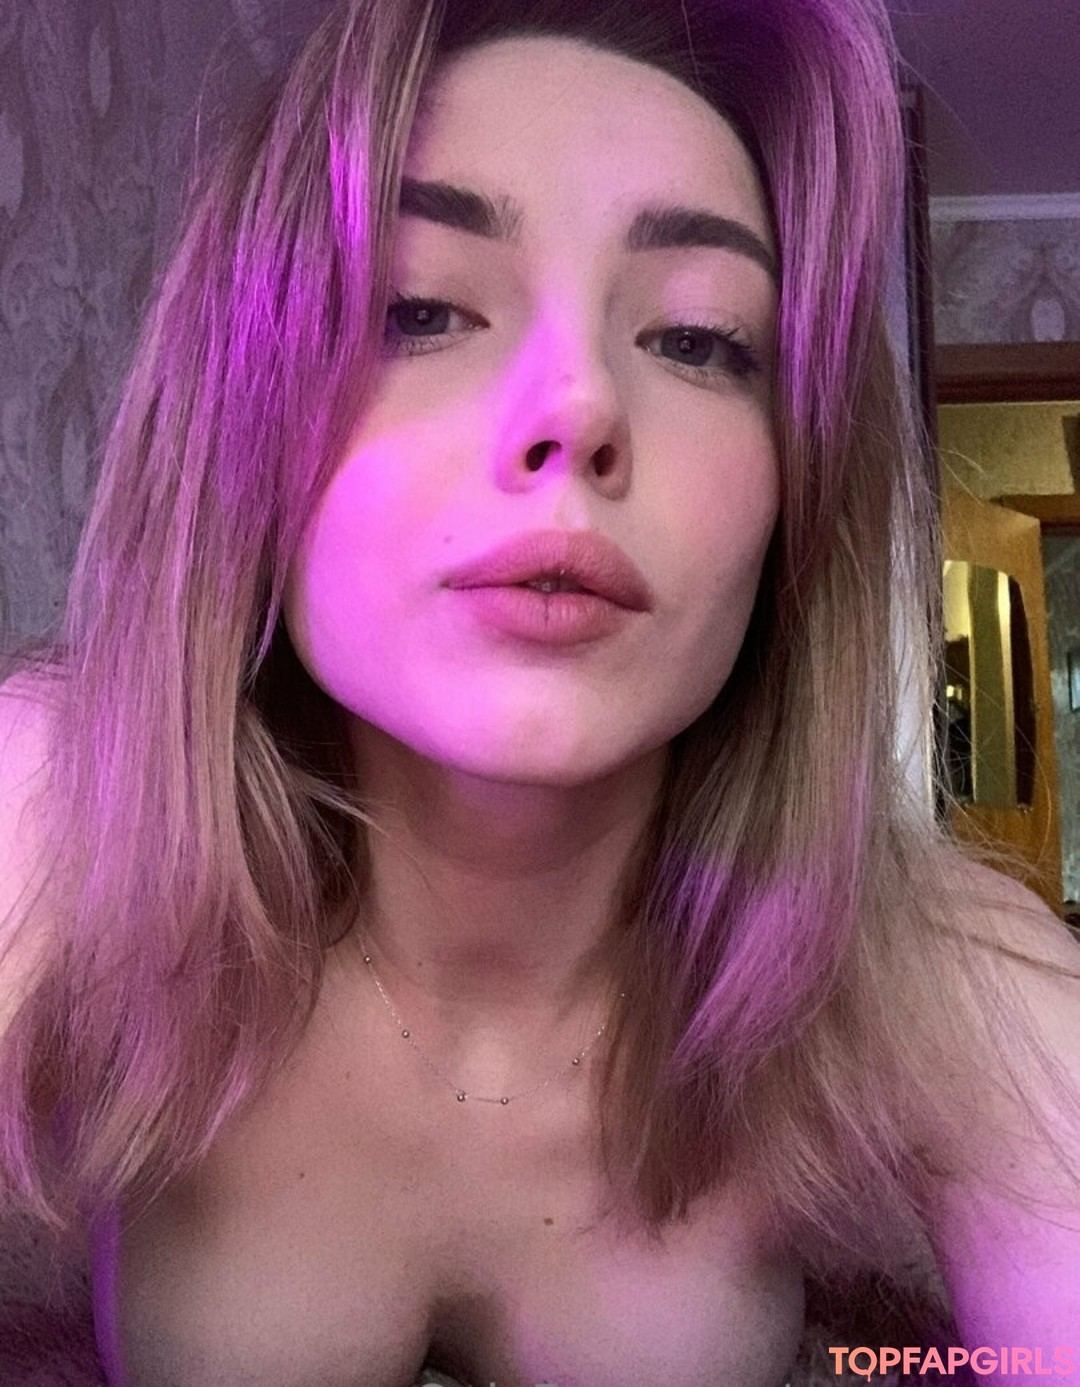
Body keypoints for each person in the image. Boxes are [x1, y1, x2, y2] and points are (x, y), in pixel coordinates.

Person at [1, 0, 1078, 1383]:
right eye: (421, 309)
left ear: (796, 494)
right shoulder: (60, 815)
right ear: (241, 423)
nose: (577, 404)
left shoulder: (932, 977)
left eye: (698, 338)